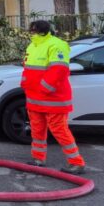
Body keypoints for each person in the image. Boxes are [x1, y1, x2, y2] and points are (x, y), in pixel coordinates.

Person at [21, 20, 86, 174]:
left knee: (59, 130)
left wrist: (44, 88)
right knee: (37, 130)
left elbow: (59, 70)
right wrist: (25, 84)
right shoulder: (33, 45)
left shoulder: (56, 44)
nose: (31, 32)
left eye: (33, 29)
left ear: (40, 30)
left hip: (53, 97)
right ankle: (38, 159)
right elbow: (28, 67)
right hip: (35, 97)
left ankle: (76, 162)